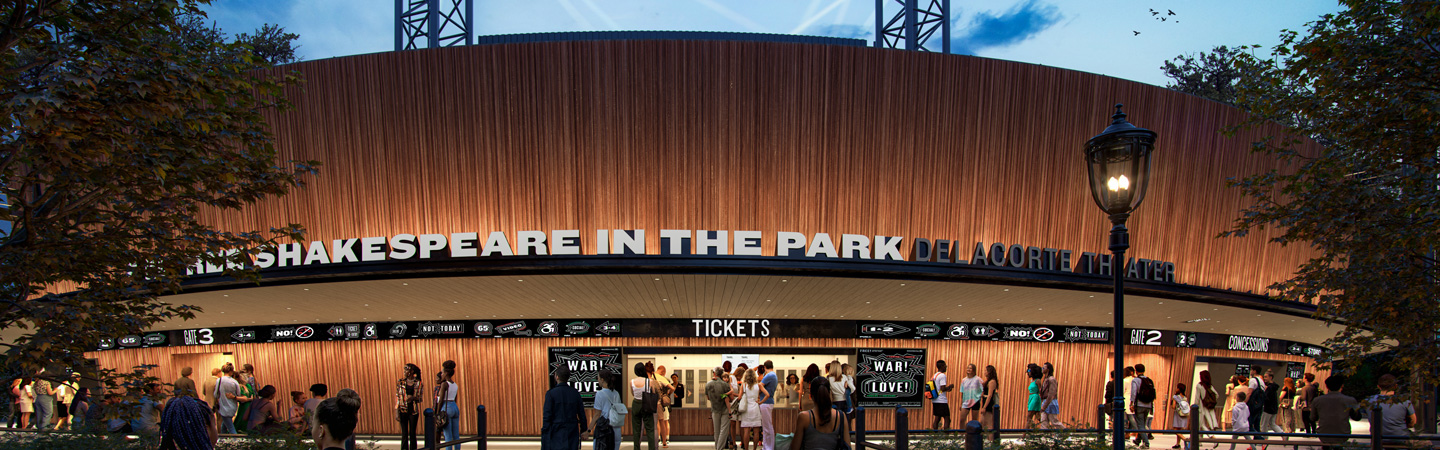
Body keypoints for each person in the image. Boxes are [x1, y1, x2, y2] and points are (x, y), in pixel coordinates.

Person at [789, 378, 847, 450]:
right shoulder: (840, 416)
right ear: (829, 393)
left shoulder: (804, 417)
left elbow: (794, 447)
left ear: (811, 395)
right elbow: (847, 446)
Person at [541, 365, 588, 450]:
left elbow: (547, 416)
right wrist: (583, 429)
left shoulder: (551, 394)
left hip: (556, 432)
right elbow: (582, 414)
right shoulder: (575, 393)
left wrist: (545, 434)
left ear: (557, 377)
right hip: (572, 432)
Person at [1310, 375, 1359, 450]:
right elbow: (1357, 417)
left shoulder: (1317, 400)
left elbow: (1313, 418)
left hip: (1324, 433)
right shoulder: (1350, 400)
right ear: (1342, 386)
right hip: (1342, 432)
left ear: (1327, 386)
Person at [1367, 374, 1416, 441]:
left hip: (1378, 439)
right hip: (1401, 438)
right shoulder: (1404, 401)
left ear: (1378, 386)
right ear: (1395, 386)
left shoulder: (1369, 401)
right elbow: (1413, 422)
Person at [587, 369, 626, 450]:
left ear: (602, 379)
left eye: (598, 378)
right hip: (616, 428)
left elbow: (597, 414)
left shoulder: (599, 394)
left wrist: (588, 430)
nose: (597, 380)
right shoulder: (616, 393)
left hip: (604, 430)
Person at [631, 362, 661, 450]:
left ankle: (636, 448)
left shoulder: (632, 381)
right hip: (646, 404)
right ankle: (651, 448)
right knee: (650, 429)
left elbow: (633, 393)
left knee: (636, 429)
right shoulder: (649, 381)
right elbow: (653, 393)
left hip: (636, 404)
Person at [395, 363, 424, 450]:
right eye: (404, 369)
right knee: (404, 433)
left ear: (412, 371)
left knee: (412, 433)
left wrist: (413, 398)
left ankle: (413, 448)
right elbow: (398, 397)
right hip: (402, 409)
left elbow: (420, 399)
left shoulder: (418, 383)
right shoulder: (400, 382)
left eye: (406, 369)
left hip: (413, 410)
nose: (405, 371)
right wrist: (396, 411)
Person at [705, 367, 733, 450]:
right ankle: (719, 448)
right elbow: (731, 398)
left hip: (714, 409)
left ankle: (717, 447)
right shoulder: (725, 385)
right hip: (725, 409)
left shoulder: (708, 384)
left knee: (716, 431)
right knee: (724, 430)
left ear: (714, 373)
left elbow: (708, 398)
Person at [1129, 363, 1154, 447]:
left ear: (1136, 371)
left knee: (1140, 425)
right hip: (1148, 405)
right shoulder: (1149, 380)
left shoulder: (1136, 380)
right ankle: (1138, 441)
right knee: (1142, 423)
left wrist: (1131, 403)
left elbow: (1134, 393)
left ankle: (1146, 443)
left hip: (1139, 404)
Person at [1258, 370, 1285, 444]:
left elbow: (1266, 398)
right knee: (1272, 423)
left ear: (1271, 377)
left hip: (1268, 408)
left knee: (1263, 424)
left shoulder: (1269, 388)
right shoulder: (1274, 387)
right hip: (1274, 408)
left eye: (1266, 377)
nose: (1264, 378)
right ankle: (1282, 434)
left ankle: (1264, 439)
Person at [438, 360, 459, 450]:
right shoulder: (455, 385)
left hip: (446, 406)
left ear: (446, 373)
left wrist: (438, 412)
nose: (441, 374)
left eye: (442, 372)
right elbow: (455, 398)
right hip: (454, 407)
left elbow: (441, 400)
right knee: (456, 435)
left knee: (448, 436)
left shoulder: (444, 384)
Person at [214, 364, 241, 434]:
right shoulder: (234, 382)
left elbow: (216, 394)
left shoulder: (219, 380)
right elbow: (238, 394)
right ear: (231, 371)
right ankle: (223, 437)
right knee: (225, 424)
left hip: (223, 405)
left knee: (230, 427)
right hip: (233, 406)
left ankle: (235, 439)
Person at [757, 361, 777, 450]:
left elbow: (760, 386)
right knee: (766, 426)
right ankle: (766, 447)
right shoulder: (774, 375)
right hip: (768, 402)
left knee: (767, 427)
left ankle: (769, 447)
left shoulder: (769, 375)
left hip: (765, 402)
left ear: (765, 367)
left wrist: (758, 394)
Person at [1193, 370, 1219, 436]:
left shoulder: (1199, 385)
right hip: (1209, 405)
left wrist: (1195, 406)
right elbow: (1216, 395)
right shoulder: (1210, 386)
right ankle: (1212, 428)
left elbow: (1197, 398)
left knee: (1201, 424)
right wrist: (1211, 401)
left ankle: (1210, 436)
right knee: (1204, 422)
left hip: (1202, 406)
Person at [930, 360, 953, 430]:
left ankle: (934, 433)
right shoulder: (942, 375)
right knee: (947, 418)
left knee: (937, 418)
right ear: (942, 366)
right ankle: (946, 434)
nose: (946, 366)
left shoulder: (934, 375)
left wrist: (947, 389)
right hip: (941, 400)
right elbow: (942, 388)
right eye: (945, 365)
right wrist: (950, 386)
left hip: (935, 399)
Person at [1041, 362, 1060, 429]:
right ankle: (1043, 434)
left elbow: (1051, 394)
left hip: (1051, 402)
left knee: (1054, 421)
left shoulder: (1051, 379)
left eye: (1044, 368)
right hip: (1045, 401)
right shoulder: (1045, 379)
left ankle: (1066, 433)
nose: (1042, 369)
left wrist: (1044, 406)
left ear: (1048, 369)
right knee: (1043, 421)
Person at [1170, 384, 1189, 450]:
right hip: (1183, 414)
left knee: (1175, 429)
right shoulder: (1185, 397)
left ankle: (1185, 439)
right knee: (1179, 429)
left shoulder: (1175, 397)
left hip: (1178, 414)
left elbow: (1173, 406)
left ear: (1179, 389)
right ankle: (1178, 444)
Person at [980, 365, 998, 432]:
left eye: (986, 370)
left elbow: (990, 395)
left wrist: (984, 407)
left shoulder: (992, 382)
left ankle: (991, 437)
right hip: (985, 401)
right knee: (982, 422)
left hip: (989, 403)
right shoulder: (987, 381)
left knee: (989, 423)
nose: (984, 372)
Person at [1025, 364, 1042, 428]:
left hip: (1035, 398)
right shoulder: (1032, 380)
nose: (1028, 372)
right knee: (1038, 416)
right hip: (1031, 397)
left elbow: (1041, 391)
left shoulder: (1037, 380)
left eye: (1029, 370)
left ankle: (1025, 432)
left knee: (1029, 416)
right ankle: (1047, 428)